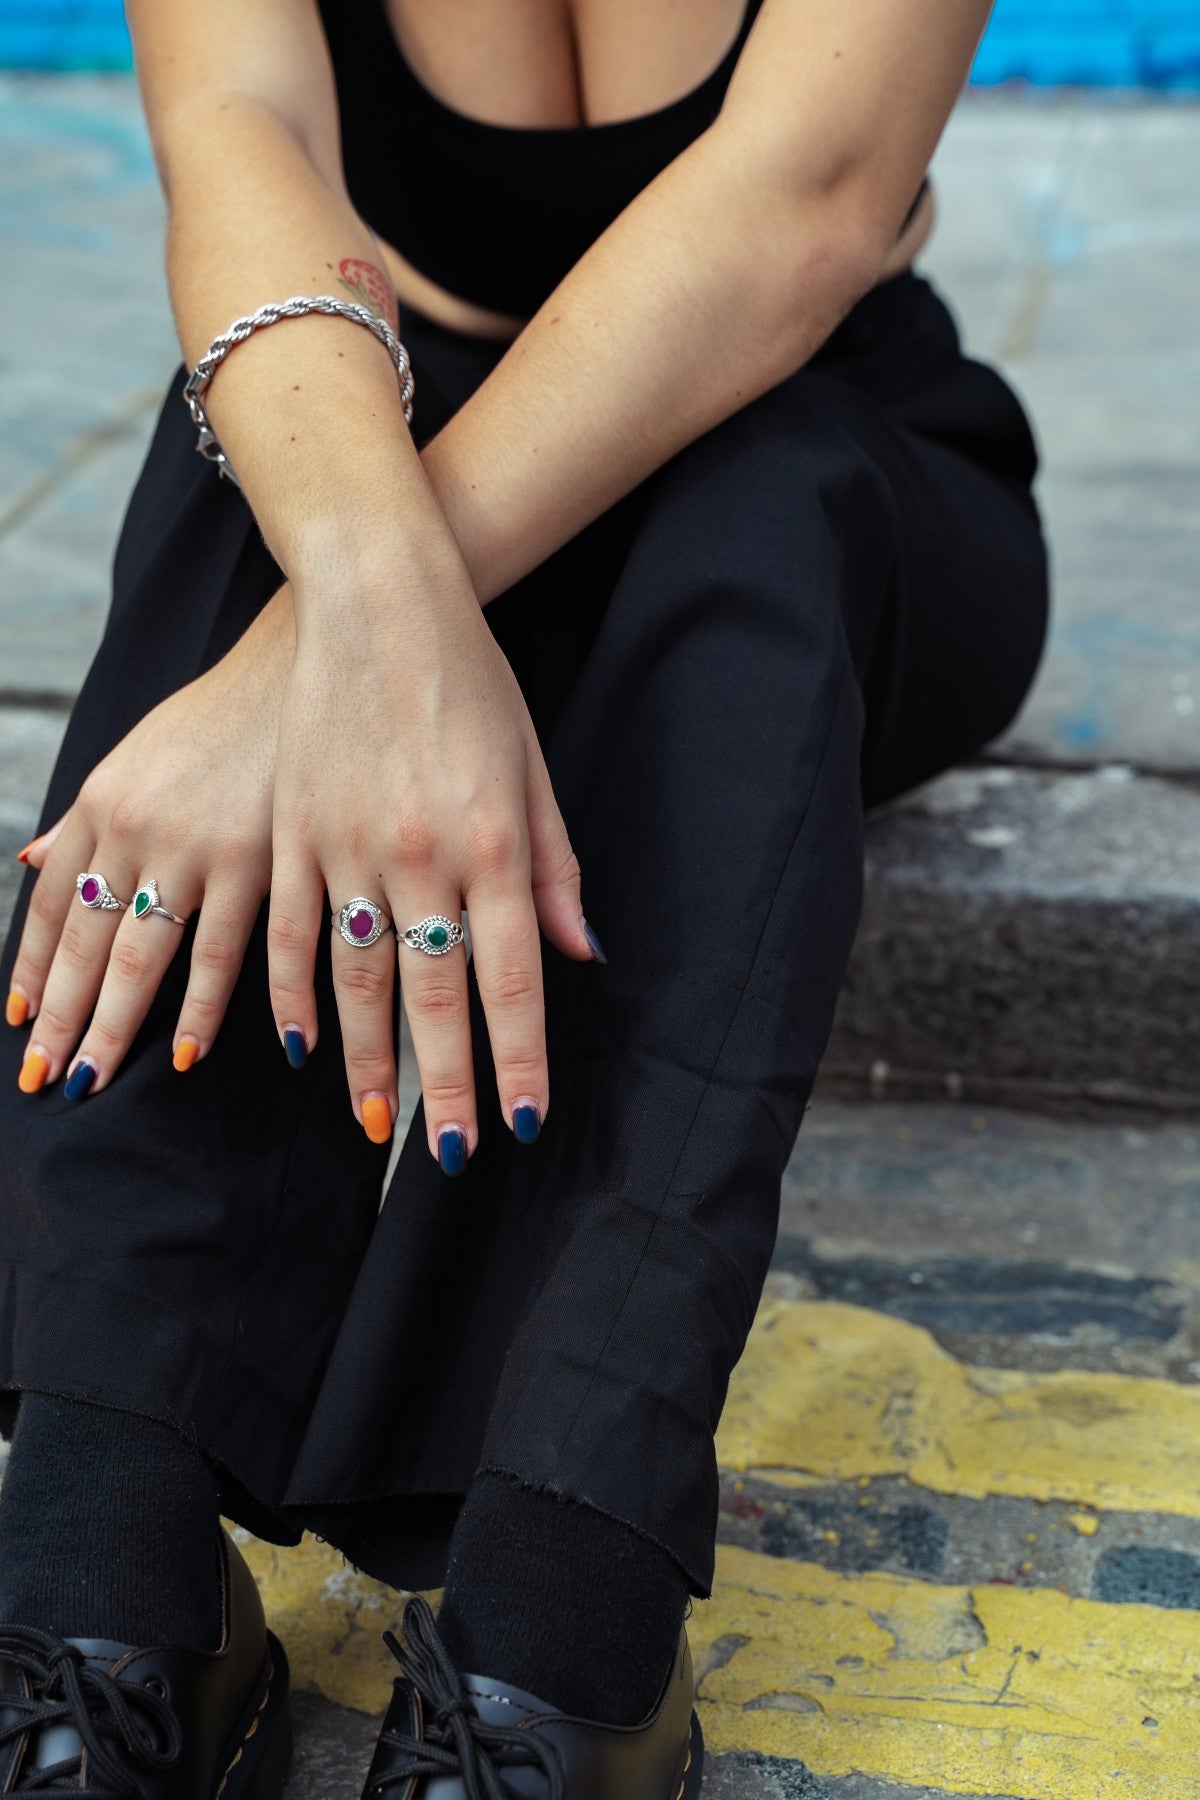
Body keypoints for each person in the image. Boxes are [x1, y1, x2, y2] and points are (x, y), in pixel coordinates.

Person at [0, 0, 1049, 1792]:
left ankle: (565, 1604)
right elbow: (241, 128)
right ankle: (105, 1549)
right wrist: (361, 585)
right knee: (252, 462)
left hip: (820, 463)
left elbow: (804, 202)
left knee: (755, 496)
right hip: (401, 421)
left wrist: (322, 657)